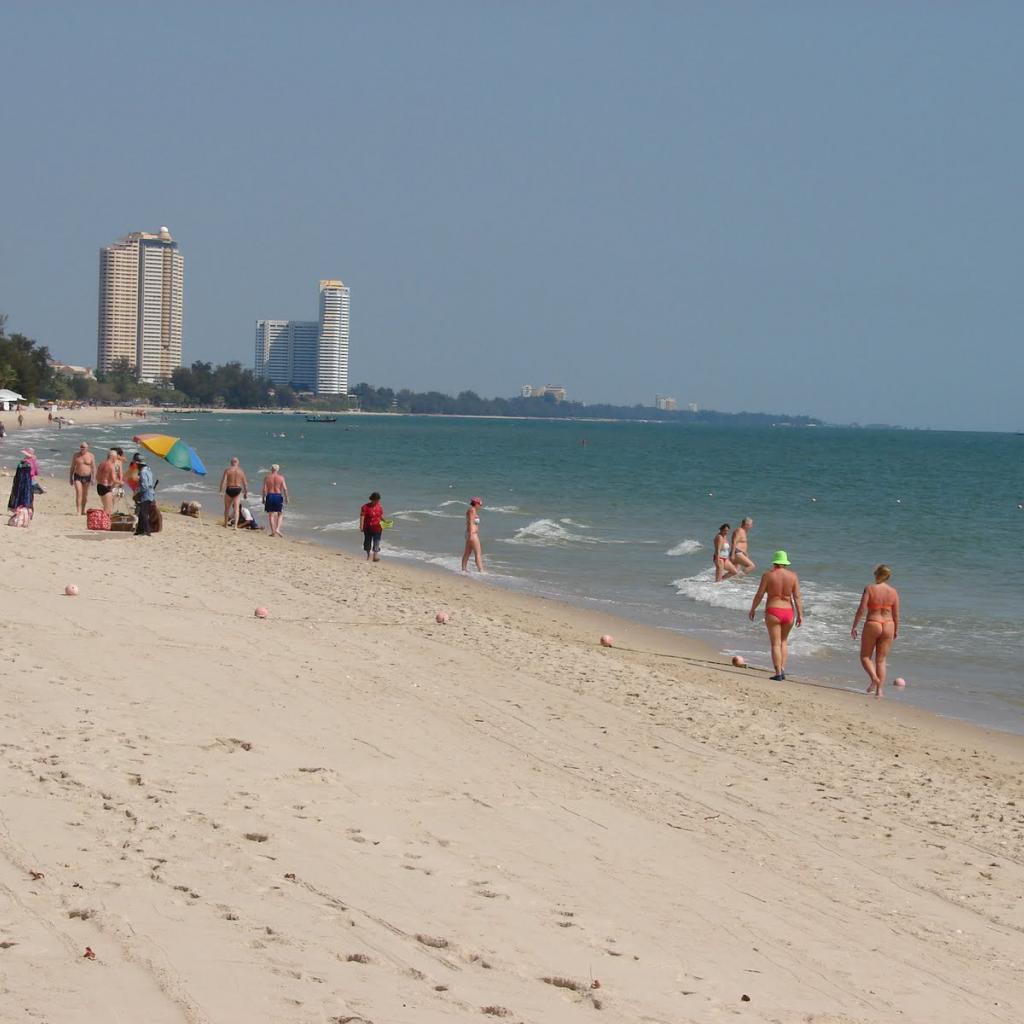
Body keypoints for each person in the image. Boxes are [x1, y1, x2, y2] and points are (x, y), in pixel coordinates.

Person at [748, 550, 803, 681]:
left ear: (774, 562)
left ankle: (778, 673)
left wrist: (753, 608)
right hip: (788, 612)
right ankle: (782, 669)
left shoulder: (768, 575)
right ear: (785, 563)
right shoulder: (793, 576)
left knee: (775, 643)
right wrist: (800, 615)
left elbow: (759, 594)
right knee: (784, 641)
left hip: (773, 611)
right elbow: (797, 597)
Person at [851, 564, 900, 698]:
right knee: (881, 660)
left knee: (865, 657)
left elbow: (862, 609)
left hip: (873, 623)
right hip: (889, 624)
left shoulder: (870, 588)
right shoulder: (893, 592)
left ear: (876, 574)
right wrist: (896, 629)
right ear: (888, 577)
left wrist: (854, 626)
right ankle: (879, 691)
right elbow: (896, 614)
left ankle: (874, 678)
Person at [219, 457, 249, 529]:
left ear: (231, 463)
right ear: (238, 463)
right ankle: (235, 526)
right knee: (236, 509)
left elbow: (224, 481)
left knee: (227, 508)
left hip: (229, 489)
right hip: (237, 489)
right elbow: (245, 483)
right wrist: (246, 493)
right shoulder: (241, 471)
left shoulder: (228, 470)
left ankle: (225, 524)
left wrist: (221, 491)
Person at [261, 463, 288, 538]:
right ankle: (278, 529)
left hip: (270, 495)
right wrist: (287, 498)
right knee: (280, 513)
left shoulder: (267, 477)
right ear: (278, 470)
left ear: (271, 469)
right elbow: (285, 489)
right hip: (278, 496)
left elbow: (264, 489)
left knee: (271, 515)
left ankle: (273, 532)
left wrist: (263, 498)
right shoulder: (281, 477)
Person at [69, 442, 96, 515]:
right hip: (77, 476)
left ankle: (83, 510)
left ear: (87, 448)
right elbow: (72, 467)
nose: (82, 448)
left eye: (84, 447)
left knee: (85, 495)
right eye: (81, 447)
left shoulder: (91, 456)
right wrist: (70, 478)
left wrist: (93, 478)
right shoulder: (76, 455)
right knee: (79, 493)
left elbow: (93, 467)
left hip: (87, 477)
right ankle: (78, 511)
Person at [133, 454, 156, 537]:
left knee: (143, 513)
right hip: (150, 493)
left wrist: (138, 495)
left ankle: (147, 531)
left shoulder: (143, 472)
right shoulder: (148, 470)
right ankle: (139, 530)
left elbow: (144, 486)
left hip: (146, 494)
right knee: (142, 513)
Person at [359, 491, 384, 562]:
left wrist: (385, 521)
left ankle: (375, 556)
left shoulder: (380, 507)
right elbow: (362, 516)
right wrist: (361, 526)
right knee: (367, 542)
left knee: (377, 541)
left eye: (378, 500)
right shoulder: (365, 507)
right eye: (375, 500)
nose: (377, 502)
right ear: (372, 499)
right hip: (368, 528)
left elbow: (380, 516)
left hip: (377, 527)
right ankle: (368, 556)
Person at [461, 497, 484, 573]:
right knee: (478, 553)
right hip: (472, 534)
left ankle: (463, 569)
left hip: (470, 533)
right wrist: (471, 534)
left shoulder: (472, 510)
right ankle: (481, 571)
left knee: (467, 552)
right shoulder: (472, 510)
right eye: (480, 504)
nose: (480, 506)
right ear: (476, 503)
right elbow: (471, 522)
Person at [95, 449, 120, 513]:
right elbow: (114, 479)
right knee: (109, 509)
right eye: (116, 457)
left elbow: (97, 476)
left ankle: (104, 519)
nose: (116, 459)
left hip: (99, 486)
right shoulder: (111, 466)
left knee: (105, 507)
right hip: (106, 487)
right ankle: (106, 519)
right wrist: (121, 482)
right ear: (113, 457)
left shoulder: (101, 463)